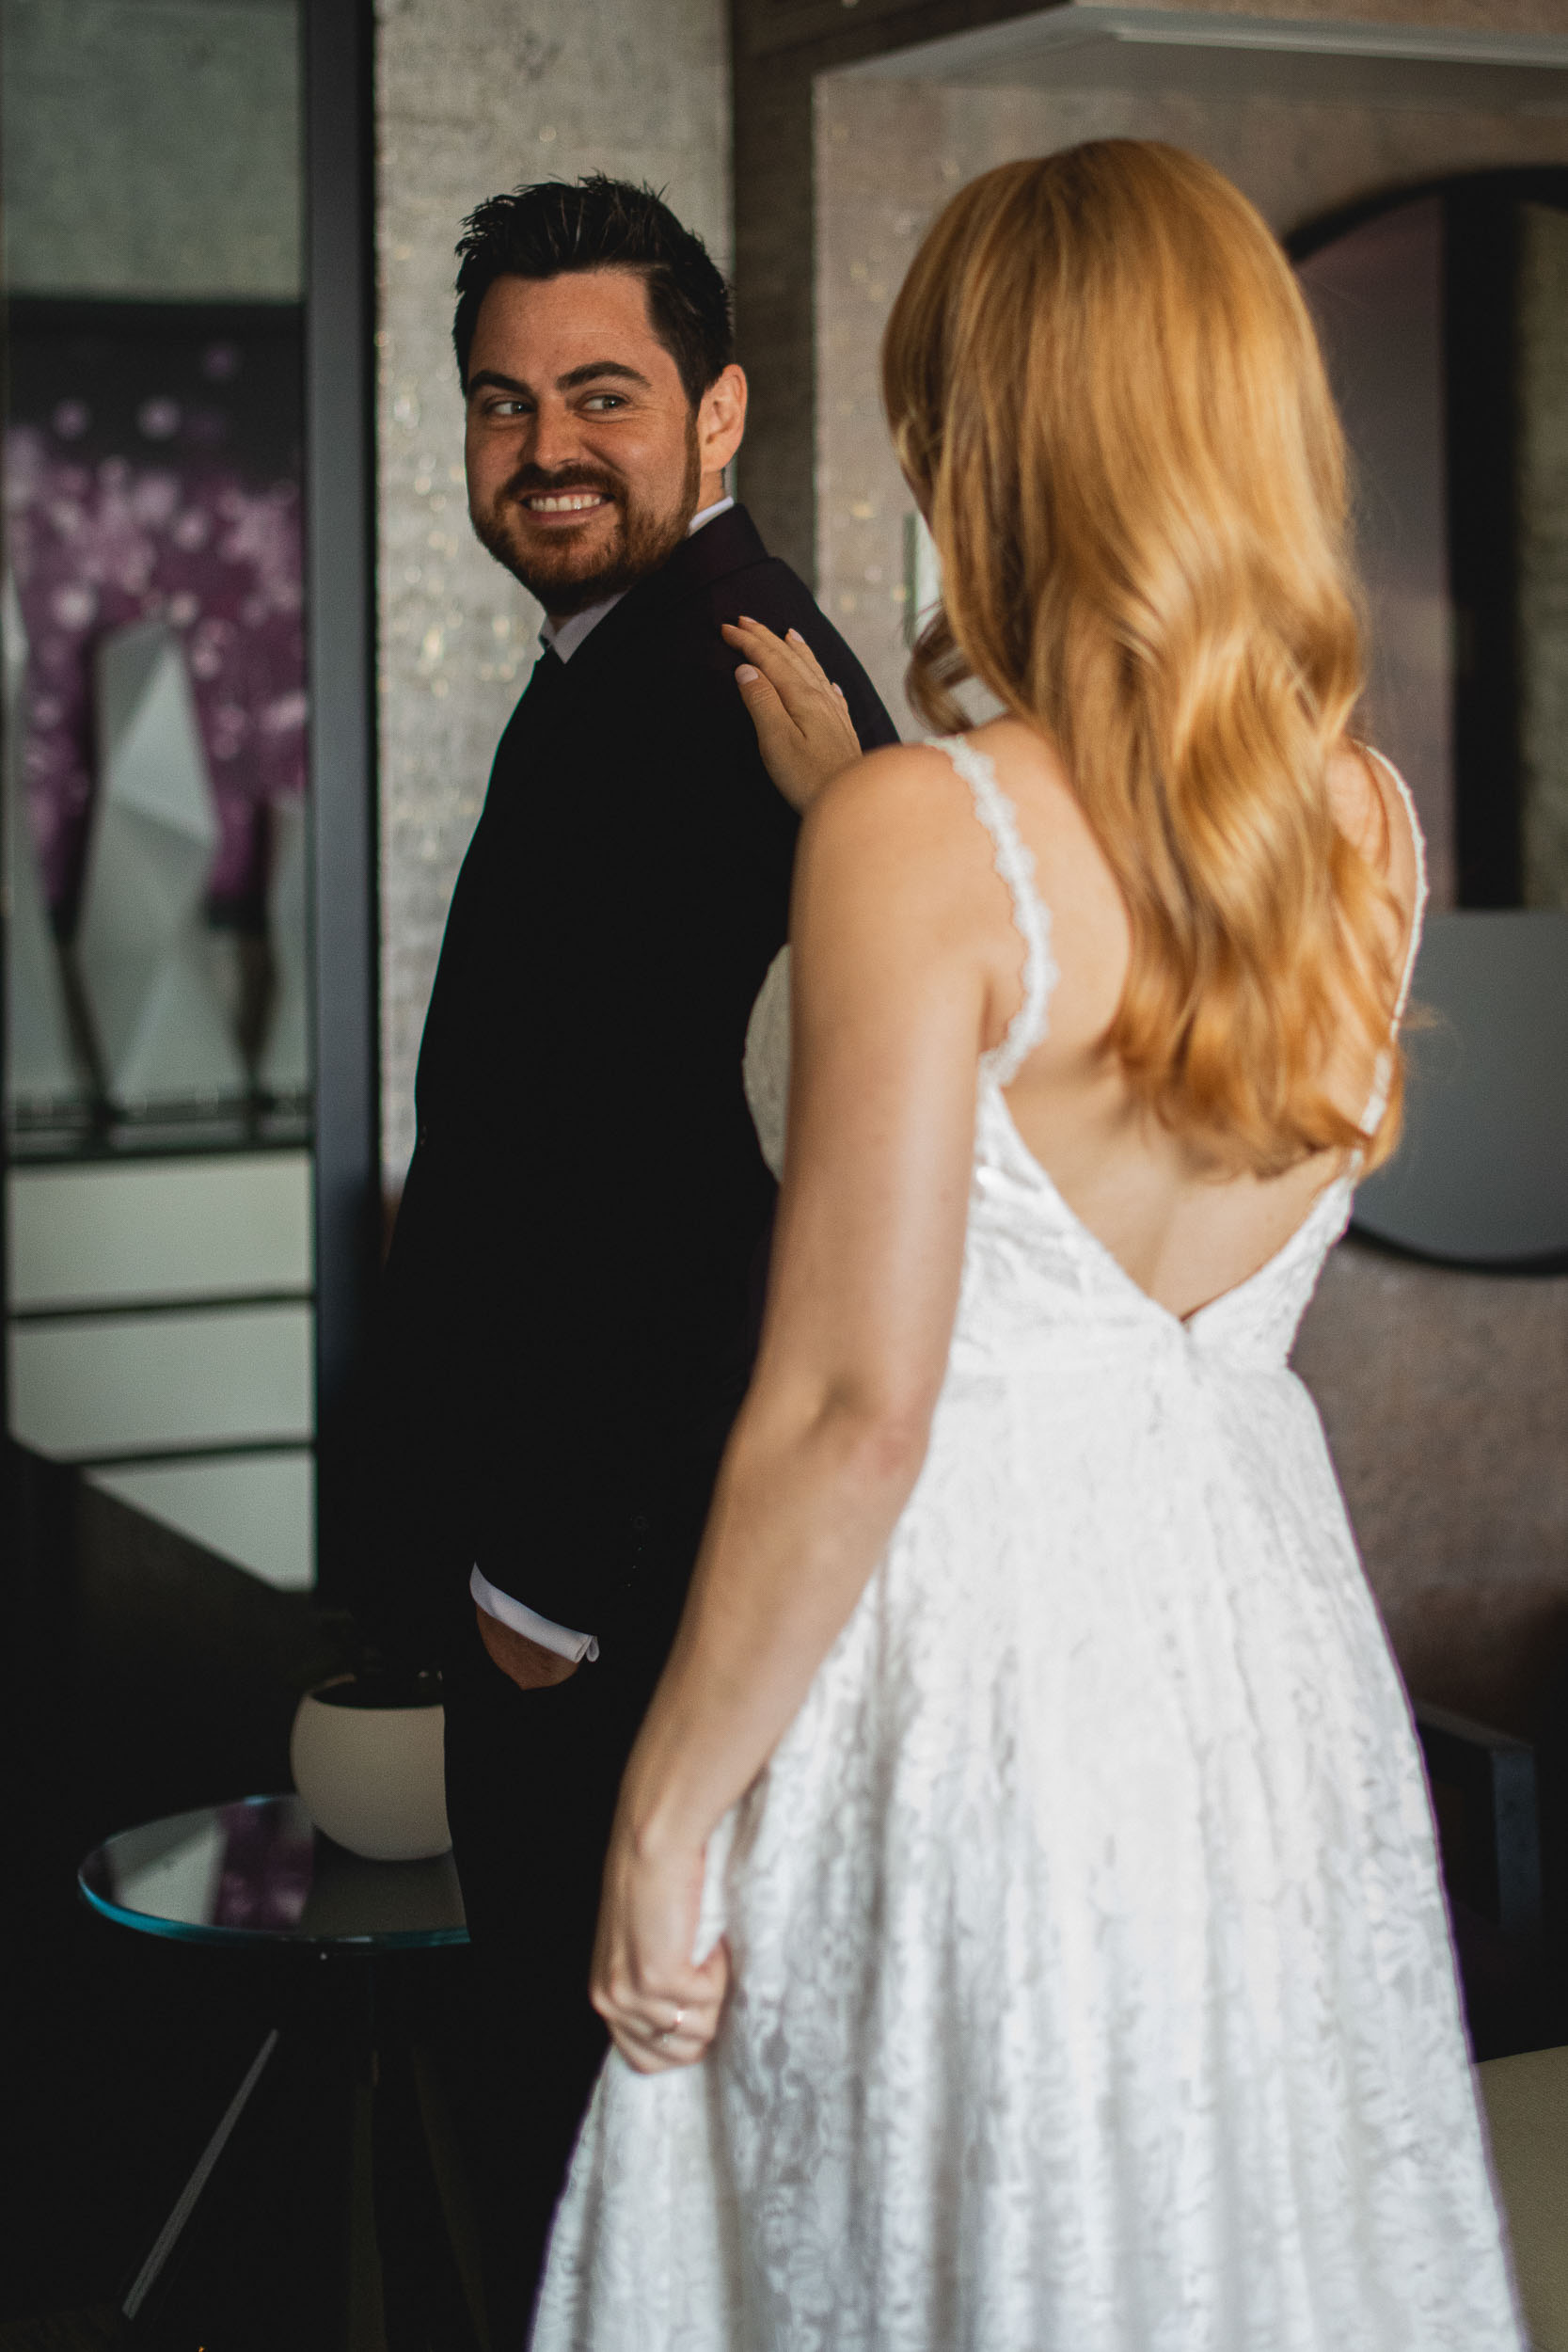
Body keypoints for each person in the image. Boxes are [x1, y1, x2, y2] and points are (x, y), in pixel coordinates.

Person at [529, 144, 1523, 2349]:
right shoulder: (1363, 826)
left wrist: (664, 1809)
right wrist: (859, 828)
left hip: (978, 1673)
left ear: (985, 444)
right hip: (1254, 1663)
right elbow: (1118, 1044)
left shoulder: (928, 836)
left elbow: (852, 1411)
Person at [361, 174, 898, 2342]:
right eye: (504, 404)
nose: (547, 449)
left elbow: (683, 1172)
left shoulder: (721, 674)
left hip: (617, 1580)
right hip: (590, 1558)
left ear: (720, 410)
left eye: (602, 394)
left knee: (590, 2162)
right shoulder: (643, 647)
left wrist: (544, 1582)